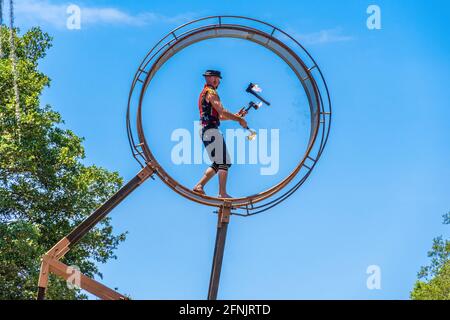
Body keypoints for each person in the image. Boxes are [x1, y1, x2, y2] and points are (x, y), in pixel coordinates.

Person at [193, 70, 247, 198]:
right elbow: (221, 111)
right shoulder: (211, 92)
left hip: (206, 129)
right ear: (213, 79)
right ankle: (222, 193)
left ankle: (199, 186)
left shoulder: (205, 93)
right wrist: (239, 120)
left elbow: (219, 116)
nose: (219, 82)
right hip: (210, 129)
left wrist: (236, 116)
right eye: (218, 79)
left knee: (219, 163)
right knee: (224, 161)